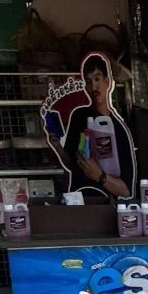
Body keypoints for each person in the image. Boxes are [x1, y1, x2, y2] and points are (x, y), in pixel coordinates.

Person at [48, 54, 136, 200]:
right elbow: (70, 162)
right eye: (89, 82)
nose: (94, 87)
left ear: (107, 82)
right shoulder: (79, 116)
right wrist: (58, 148)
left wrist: (100, 176)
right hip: (78, 200)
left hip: (105, 205)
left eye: (97, 79)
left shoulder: (119, 129)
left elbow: (126, 190)